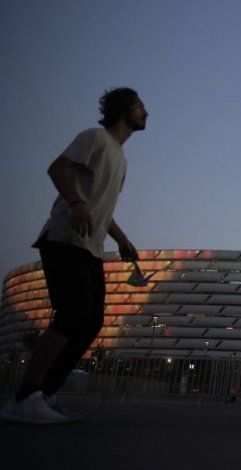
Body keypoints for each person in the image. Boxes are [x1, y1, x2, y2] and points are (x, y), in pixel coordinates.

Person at [0, 88, 147, 424]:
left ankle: (43, 395)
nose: (146, 112)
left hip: (91, 248)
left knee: (91, 321)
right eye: (141, 106)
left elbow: (103, 208)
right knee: (71, 315)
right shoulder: (95, 138)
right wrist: (76, 204)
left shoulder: (120, 160)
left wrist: (122, 240)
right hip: (65, 238)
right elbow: (57, 169)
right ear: (123, 109)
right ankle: (23, 396)